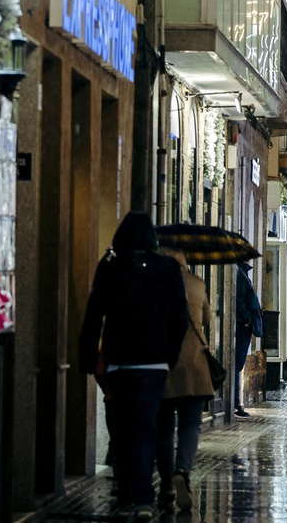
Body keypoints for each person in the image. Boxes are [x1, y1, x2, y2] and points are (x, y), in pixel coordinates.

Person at [79, 213, 187, 521]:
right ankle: (141, 499)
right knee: (145, 428)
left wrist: (88, 357)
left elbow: (94, 313)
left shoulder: (111, 266)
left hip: (119, 363)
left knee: (123, 429)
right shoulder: (167, 269)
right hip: (154, 365)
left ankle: (128, 494)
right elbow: (180, 318)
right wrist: (170, 357)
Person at [155, 247, 213, 513]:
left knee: (164, 428)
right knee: (191, 425)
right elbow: (208, 319)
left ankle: (166, 487)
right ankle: (182, 470)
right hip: (195, 365)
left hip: (164, 364)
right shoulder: (197, 283)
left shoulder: (156, 283)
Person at [232, 261, 263, 417]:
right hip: (242, 327)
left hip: (243, 326)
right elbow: (238, 300)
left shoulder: (241, 272)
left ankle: (235, 402)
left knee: (237, 364)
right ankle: (234, 402)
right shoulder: (238, 273)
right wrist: (246, 320)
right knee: (236, 364)